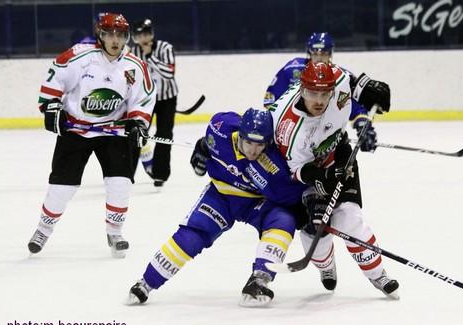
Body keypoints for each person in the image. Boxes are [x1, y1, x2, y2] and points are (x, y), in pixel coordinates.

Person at [127, 108, 308, 307]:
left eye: (260, 145)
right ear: (240, 134)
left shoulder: (276, 165)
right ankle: (146, 283)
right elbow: (209, 140)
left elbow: (291, 194)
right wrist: (202, 147)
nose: (253, 151)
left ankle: (259, 280)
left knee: (284, 221)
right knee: (192, 235)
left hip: (258, 203)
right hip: (221, 196)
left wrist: (303, 206)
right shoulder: (221, 128)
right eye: (249, 142)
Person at [27, 13, 156, 258]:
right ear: (100, 35)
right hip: (76, 129)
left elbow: (143, 98)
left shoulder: (134, 66)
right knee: (61, 187)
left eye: (120, 34)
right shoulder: (80, 57)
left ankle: (115, 231)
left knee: (120, 183)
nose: (115, 39)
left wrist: (138, 123)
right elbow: (54, 82)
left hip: (114, 131)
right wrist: (52, 107)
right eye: (110, 34)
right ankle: (43, 229)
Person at [268, 61, 399, 298]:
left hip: (338, 155)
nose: (318, 100)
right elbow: (296, 170)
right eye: (311, 93)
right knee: (314, 231)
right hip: (303, 174)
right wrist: (321, 178)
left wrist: (366, 87)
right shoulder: (288, 128)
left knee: (350, 220)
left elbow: (347, 77)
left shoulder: (336, 79)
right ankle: (326, 266)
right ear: (301, 89)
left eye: (324, 94)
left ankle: (378, 274)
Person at [264, 32, 378, 154]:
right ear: (309, 53)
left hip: (325, 133)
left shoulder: (342, 78)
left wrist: (364, 127)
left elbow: (357, 108)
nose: (319, 58)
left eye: (323, 54)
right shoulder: (293, 69)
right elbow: (271, 100)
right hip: (291, 132)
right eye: (315, 53)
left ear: (330, 54)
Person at [130, 18, 178, 187]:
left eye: (146, 33)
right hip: (144, 100)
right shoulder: (133, 52)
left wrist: (150, 56)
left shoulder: (166, 48)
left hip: (167, 98)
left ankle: (160, 174)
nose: (143, 38)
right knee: (136, 134)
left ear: (151, 33)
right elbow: (130, 77)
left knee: (164, 135)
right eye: (140, 35)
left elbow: (169, 73)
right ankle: (126, 174)